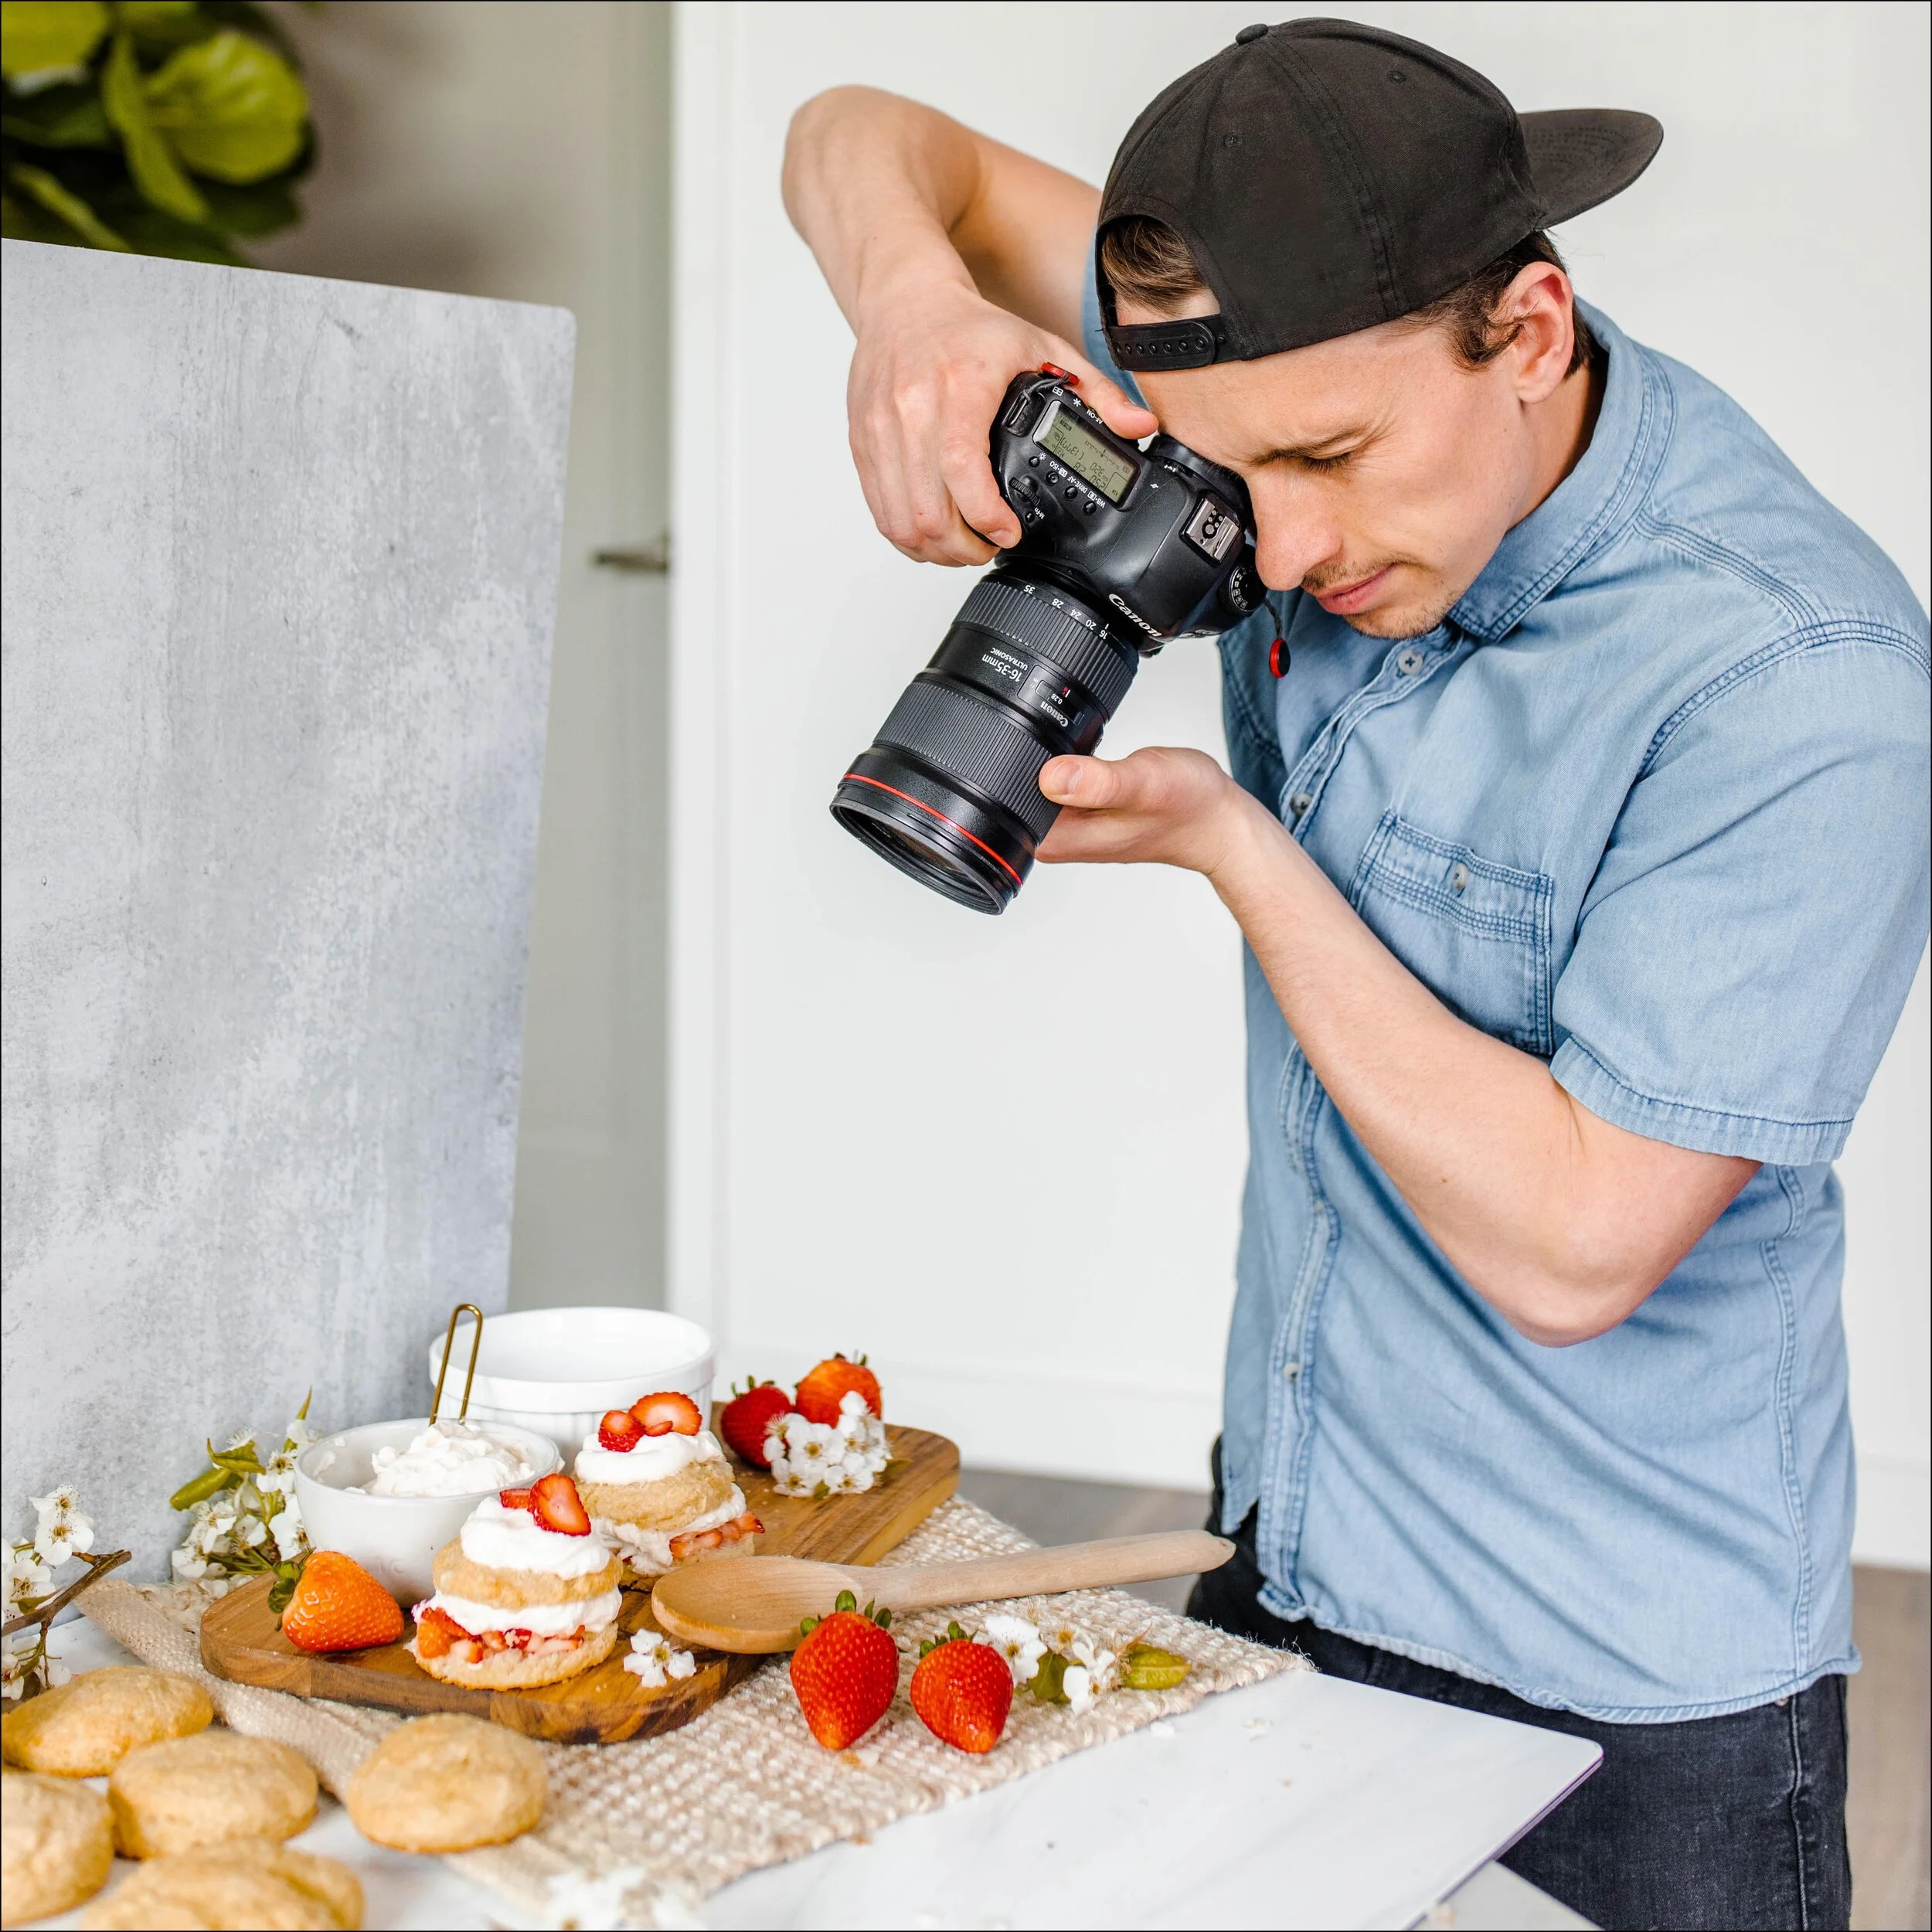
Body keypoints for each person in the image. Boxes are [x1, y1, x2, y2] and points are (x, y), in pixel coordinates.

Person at [784, 20, 1929, 1930]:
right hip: (1289, 1551)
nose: (1284, 547)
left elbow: (1578, 1241)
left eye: (1327, 457)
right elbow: (857, 132)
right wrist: (911, 306)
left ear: (1530, 332)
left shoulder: (1793, 678)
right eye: (1226, 477)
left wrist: (1240, 851)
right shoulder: (1264, 344)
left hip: (1623, 1686)